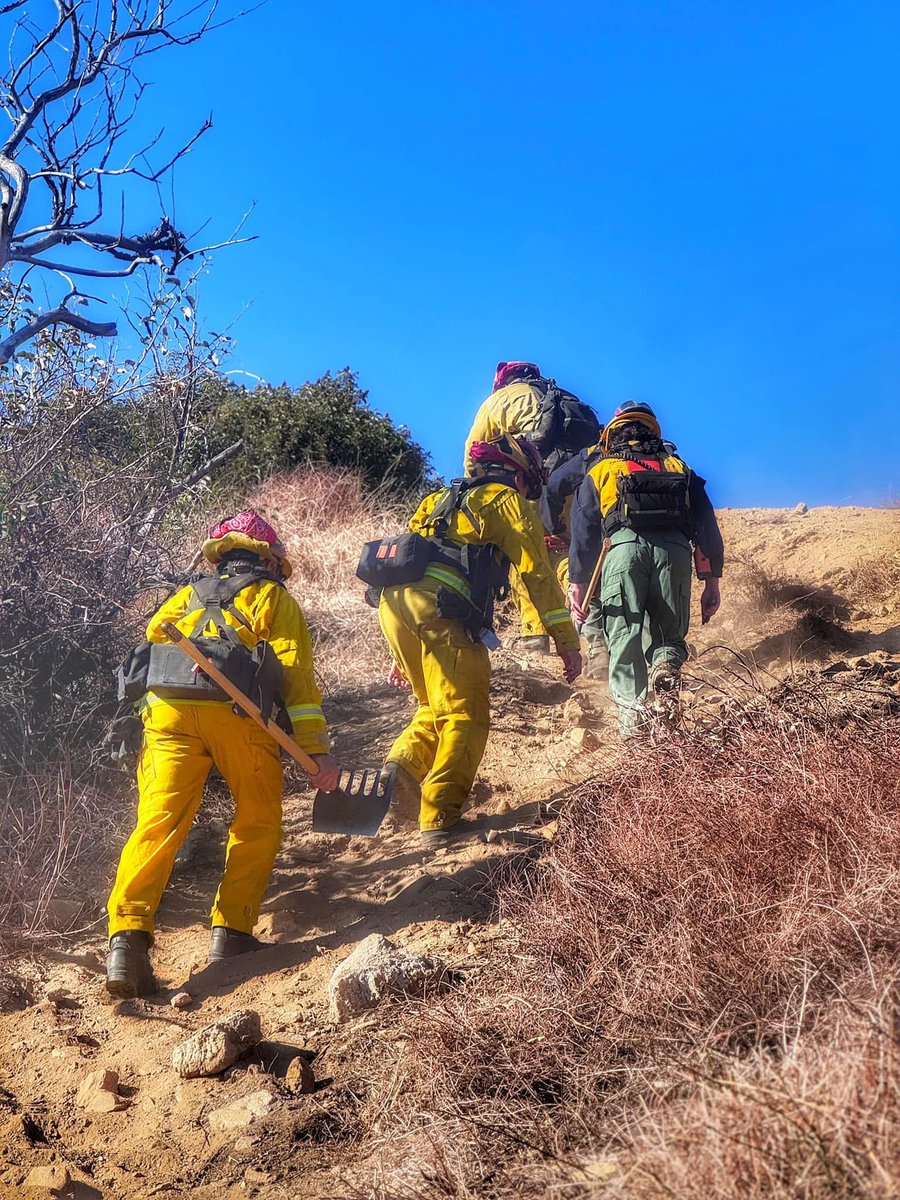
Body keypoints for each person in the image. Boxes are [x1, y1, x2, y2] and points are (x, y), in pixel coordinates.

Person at [105, 511, 340, 998]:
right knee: (257, 819)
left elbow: (147, 655)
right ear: (269, 560)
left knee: (158, 822)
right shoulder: (274, 598)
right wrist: (316, 755)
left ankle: (126, 942)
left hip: (166, 714)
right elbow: (297, 682)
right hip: (238, 715)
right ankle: (231, 935)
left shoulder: (183, 597)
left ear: (221, 558)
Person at [376, 435, 583, 847]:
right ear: (519, 474)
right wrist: (565, 638)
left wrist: (400, 653)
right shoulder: (506, 501)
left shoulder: (438, 498)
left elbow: (409, 559)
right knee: (465, 715)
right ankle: (440, 816)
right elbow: (536, 573)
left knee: (432, 705)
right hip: (443, 609)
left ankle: (400, 768)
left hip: (394, 607)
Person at [568, 403, 723, 736]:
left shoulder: (602, 469)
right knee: (668, 633)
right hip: (675, 554)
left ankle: (632, 718)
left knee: (624, 636)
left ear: (614, 435)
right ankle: (665, 670)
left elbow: (582, 529)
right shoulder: (680, 467)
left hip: (622, 553)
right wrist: (711, 581)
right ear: (653, 431)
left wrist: (578, 583)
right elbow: (706, 525)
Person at [464, 361, 600, 652]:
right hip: (572, 484)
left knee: (525, 552)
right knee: (561, 549)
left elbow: (473, 453)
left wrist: (470, 495)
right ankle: (591, 627)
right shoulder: (558, 397)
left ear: (503, 381)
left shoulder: (498, 401)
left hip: (529, 485)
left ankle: (535, 635)